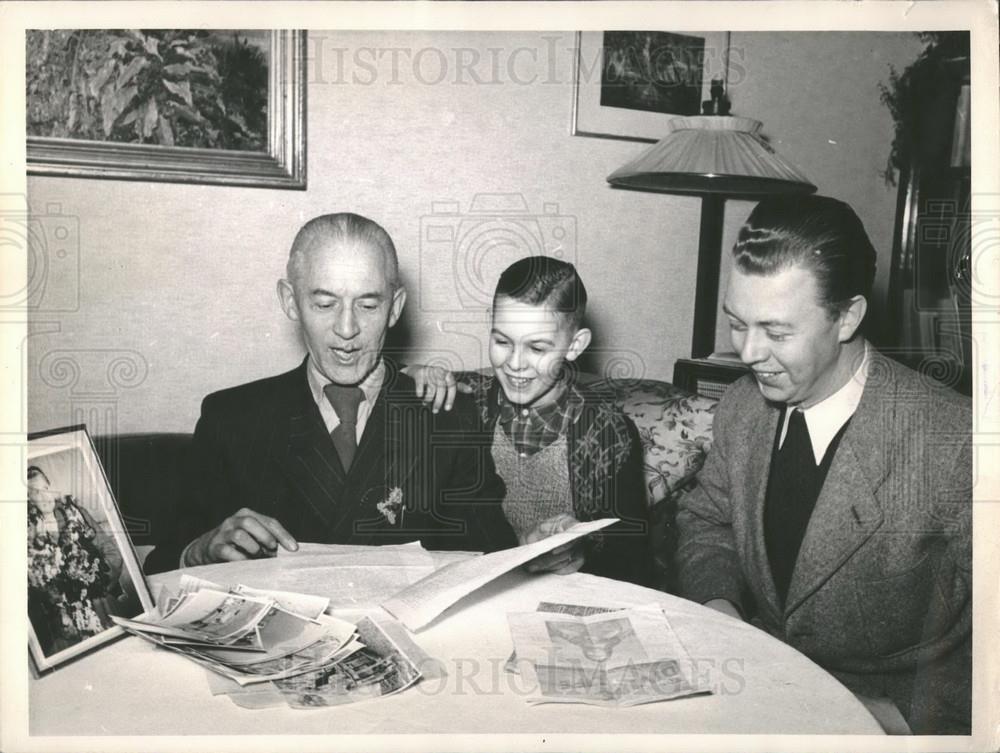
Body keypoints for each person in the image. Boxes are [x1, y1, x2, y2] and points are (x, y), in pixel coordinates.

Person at [674, 195, 971, 734]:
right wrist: (720, 609)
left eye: (777, 332)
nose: (748, 353)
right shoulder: (742, 407)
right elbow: (708, 521)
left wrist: (900, 717)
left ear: (847, 317)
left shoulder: (955, 442)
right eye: (737, 323)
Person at [144, 212, 517, 574]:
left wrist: (533, 560)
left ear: (395, 308)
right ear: (290, 301)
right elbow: (161, 564)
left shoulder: (449, 418)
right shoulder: (231, 419)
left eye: (368, 305)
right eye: (325, 304)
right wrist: (200, 551)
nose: (347, 328)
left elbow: (491, 562)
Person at [411, 257, 650, 585]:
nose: (515, 363)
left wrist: (585, 552)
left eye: (537, 348)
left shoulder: (609, 432)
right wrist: (411, 377)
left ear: (575, 345)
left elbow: (634, 561)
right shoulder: (464, 402)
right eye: (502, 341)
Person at [27, 465, 124, 655]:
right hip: (60, 615)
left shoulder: (75, 513)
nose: (45, 497)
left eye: (46, 488)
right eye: (36, 493)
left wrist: (96, 582)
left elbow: (111, 552)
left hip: (96, 597)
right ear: (29, 500)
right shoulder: (27, 533)